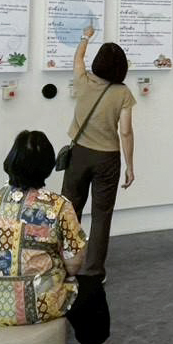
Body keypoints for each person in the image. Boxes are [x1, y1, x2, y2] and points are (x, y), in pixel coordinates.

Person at [0, 129, 120, 344]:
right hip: (38, 303)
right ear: (48, 167)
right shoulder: (58, 206)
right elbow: (75, 264)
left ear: (10, 161)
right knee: (92, 288)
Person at [60, 26, 136, 280]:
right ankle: (94, 271)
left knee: (70, 212)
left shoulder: (84, 81)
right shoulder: (123, 93)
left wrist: (85, 37)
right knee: (102, 216)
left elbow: (78, 59)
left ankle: (65, 266)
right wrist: (130, 165)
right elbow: (126, 132)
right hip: (108, 159)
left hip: (79, 155)